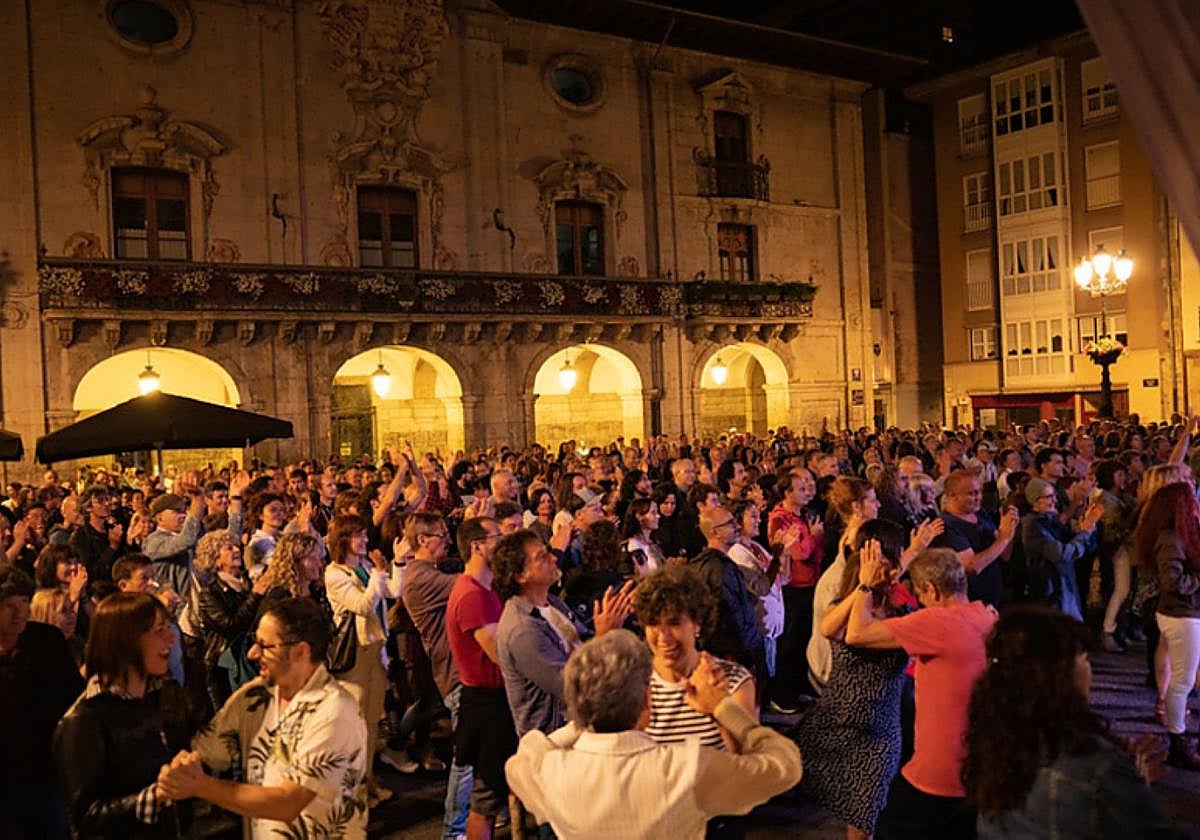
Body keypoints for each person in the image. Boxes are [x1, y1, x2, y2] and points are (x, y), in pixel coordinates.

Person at [504, 629, 803, 839]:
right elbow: (785, 765)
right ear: (646, 700)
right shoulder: (686, 769)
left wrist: (586, 717)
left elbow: (525, 754)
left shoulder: (549, 770)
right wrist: (723, 707)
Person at [159, 597, 368, 838]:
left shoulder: (335, 710)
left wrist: (203, 785)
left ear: (300, 652)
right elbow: (206, 751)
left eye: (265, 646)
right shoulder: (254, 697)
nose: (252, 653)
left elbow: (289, 802)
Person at [963, 607, 1176, 838]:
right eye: (1084, 658)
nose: (1090, 669)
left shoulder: (994, 742)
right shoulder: (1094, 765)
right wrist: (1130, 790)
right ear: (1058, 676)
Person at [844, 549, 997, 839]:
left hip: (938, 773)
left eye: (922, 596)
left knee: (888, 829)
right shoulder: (986, 617)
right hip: (978, 768)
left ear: (930, 589)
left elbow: (856, 633)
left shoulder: (937, 622)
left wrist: (864, 584)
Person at [793, 524, 919, 840]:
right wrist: (862, 588)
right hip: (840, 724)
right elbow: (828, 628)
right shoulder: (849, 603)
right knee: (855, 814)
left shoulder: (899, 605)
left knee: (867, 817)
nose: (890, 573)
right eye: (883, 566)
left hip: (880, 732)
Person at [53, 592, 193, 838]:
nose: (170, 638)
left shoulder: (162, 698)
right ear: (125, 641)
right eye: (159, 631)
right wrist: (156, 796)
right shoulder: (84, 720)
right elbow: (86, 816)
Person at [494, 528, 634, 737]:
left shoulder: (551, 602)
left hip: (579, 725)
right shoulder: (522, 630)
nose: (553, 558)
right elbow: (570, 686)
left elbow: (581, 641)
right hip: (554, 740)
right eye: (542, 557)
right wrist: (604, 637)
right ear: (520, 575)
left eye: (548, 551)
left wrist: (609, 617)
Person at [323, 513, 404, 805]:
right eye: (359, 535)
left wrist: (399, 563)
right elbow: (362, 604)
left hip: (375, 649)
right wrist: (380, 574)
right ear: (344, 540)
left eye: (364, 535)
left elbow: (393, 592)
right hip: (354, 655)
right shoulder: (334, 574)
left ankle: (368, 779)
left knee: (370, 722)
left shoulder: (366, 567)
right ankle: (351, 789)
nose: (365, 540)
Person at [0, 566, 84, 839]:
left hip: (44, 772)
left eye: (23, 602)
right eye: (8, 606)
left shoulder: (47, 640)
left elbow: (73, 699)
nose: (19, 613)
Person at [446, 516, 516, 840]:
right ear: (477, 546)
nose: (502, 542)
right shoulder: (471, 595)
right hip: (486, 702)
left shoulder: (488, 587)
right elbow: (499, 653)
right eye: (497, 536)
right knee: (484, 800)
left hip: (495, 698)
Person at [1133, 481, 1200, 769]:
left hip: (1185, 612)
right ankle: (1177, 739)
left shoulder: (1179, 535)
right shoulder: (1170, 538)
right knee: (1182, 679)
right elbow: (1171, 581)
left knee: (1184, 677)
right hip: (1180, 614)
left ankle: (1179, 737)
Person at [195, 529, 270, 709]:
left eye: (236, 546)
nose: (236, 550)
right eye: (228, 548)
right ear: (215, 559)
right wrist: (256, 596)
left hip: (252, 661)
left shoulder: (247, 583)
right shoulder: (210, 593)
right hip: (225, 668)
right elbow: (230, 626)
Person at [932, 471, 1020, 608]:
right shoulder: (946, 526)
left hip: (995, 599)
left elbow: (1004, 555)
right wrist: (1003, 539)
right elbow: (971, 567)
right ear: (952, 496)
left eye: (979, 492)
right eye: (971, 493)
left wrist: (1009, 529)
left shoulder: (980, 514)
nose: (979, 497)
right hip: (971, 605)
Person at [1020, 477, 1103, 620]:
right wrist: (1085, 533)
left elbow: (1079, 546)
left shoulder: (1052, 521)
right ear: (1035, 500)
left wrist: (1089, 525)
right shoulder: (1034, 526)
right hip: (1052, 593)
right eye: (1049, 497)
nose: (1054, 501)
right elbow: (1061, 553)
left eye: (1054, 496)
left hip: (1065, 588)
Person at [621, 497, 666, 577]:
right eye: (653, 513)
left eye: (657, 512)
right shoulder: (630, 547)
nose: (658, 516)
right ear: (639, 517)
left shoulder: (656, 543)